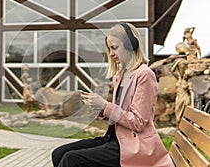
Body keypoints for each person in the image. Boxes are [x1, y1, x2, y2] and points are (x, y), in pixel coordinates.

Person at [51, 23, 174, 167]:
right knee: (59, 153)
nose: (111, 53)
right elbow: (119, 112)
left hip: (134, 145)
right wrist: (99, 108)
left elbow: (138, 123)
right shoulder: (121, 75)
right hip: (114, 138)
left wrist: (105, 105)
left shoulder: (144, 75)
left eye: (114, 47)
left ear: (131, 45)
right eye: (109, 48)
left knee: (71, 159)